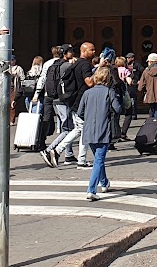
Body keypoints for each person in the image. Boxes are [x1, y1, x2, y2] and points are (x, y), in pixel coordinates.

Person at [78, 65, 122, 200]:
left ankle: (104, 182)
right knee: (98, 160)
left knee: (98, 159)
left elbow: (80, 112)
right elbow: (118, 109)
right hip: (104, 129)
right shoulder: (109, 92)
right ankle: (91, 189)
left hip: (89, 130)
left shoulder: (87, 93)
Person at [42, 46, 89, 168]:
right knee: (70, 129)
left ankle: (67, 154)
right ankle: (51, 150)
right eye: (70, 52)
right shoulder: (68, 65)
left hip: (54, 98)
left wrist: (38, 94)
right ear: (64, 53)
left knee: (72, 128)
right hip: (65, 100)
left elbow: (42, 79)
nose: (73, 54)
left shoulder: (50, 64)